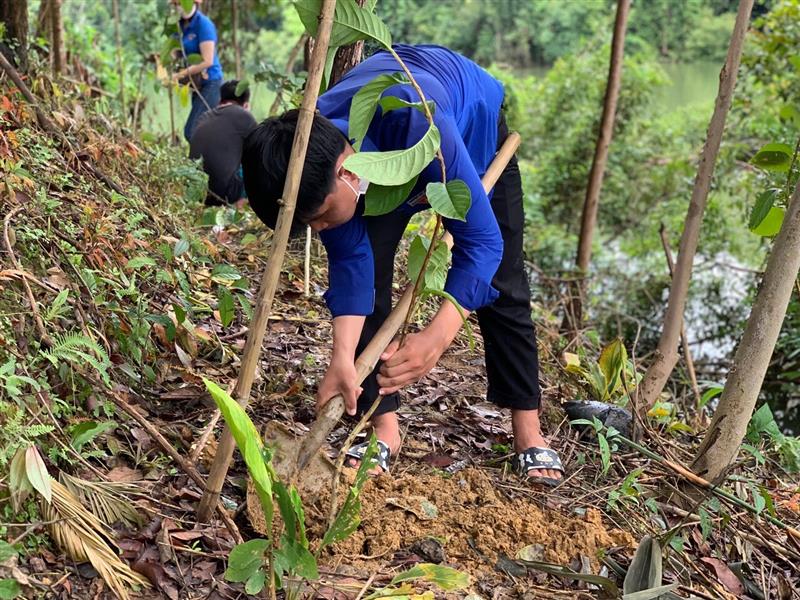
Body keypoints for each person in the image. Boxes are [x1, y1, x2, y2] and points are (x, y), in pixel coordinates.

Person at [241, 44, 563, 485]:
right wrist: (341, 359)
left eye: (317, 217)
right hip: (378, 168)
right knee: (368, 269)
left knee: (503, 280)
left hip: (464, 132)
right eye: (307, 222)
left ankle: (528, 428)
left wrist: (437, 337)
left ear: (346, 172)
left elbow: (482, 245)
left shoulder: (416, 123)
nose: (318, 229)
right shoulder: (305, 156)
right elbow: (352, 266)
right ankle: (383, 429)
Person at [189, 80, 257, 206]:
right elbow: (259, 153)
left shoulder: (204, 117)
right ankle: (239, 208)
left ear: (221, 99)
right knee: (255, 162)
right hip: (225, 194)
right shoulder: (245, 117)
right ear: (246, 105)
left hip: (196, 192)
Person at [171, 0, 223, 142]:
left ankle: (199, 163)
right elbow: (176, 51)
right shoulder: (179, 26)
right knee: (204, 129)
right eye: (176, 4)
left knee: (192, 130)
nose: (178, 7)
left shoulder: (204, 24)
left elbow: (207, 61)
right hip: (196, 84)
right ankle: (208, 163)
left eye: (181, 4)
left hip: (210, 82)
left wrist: (179, 75)